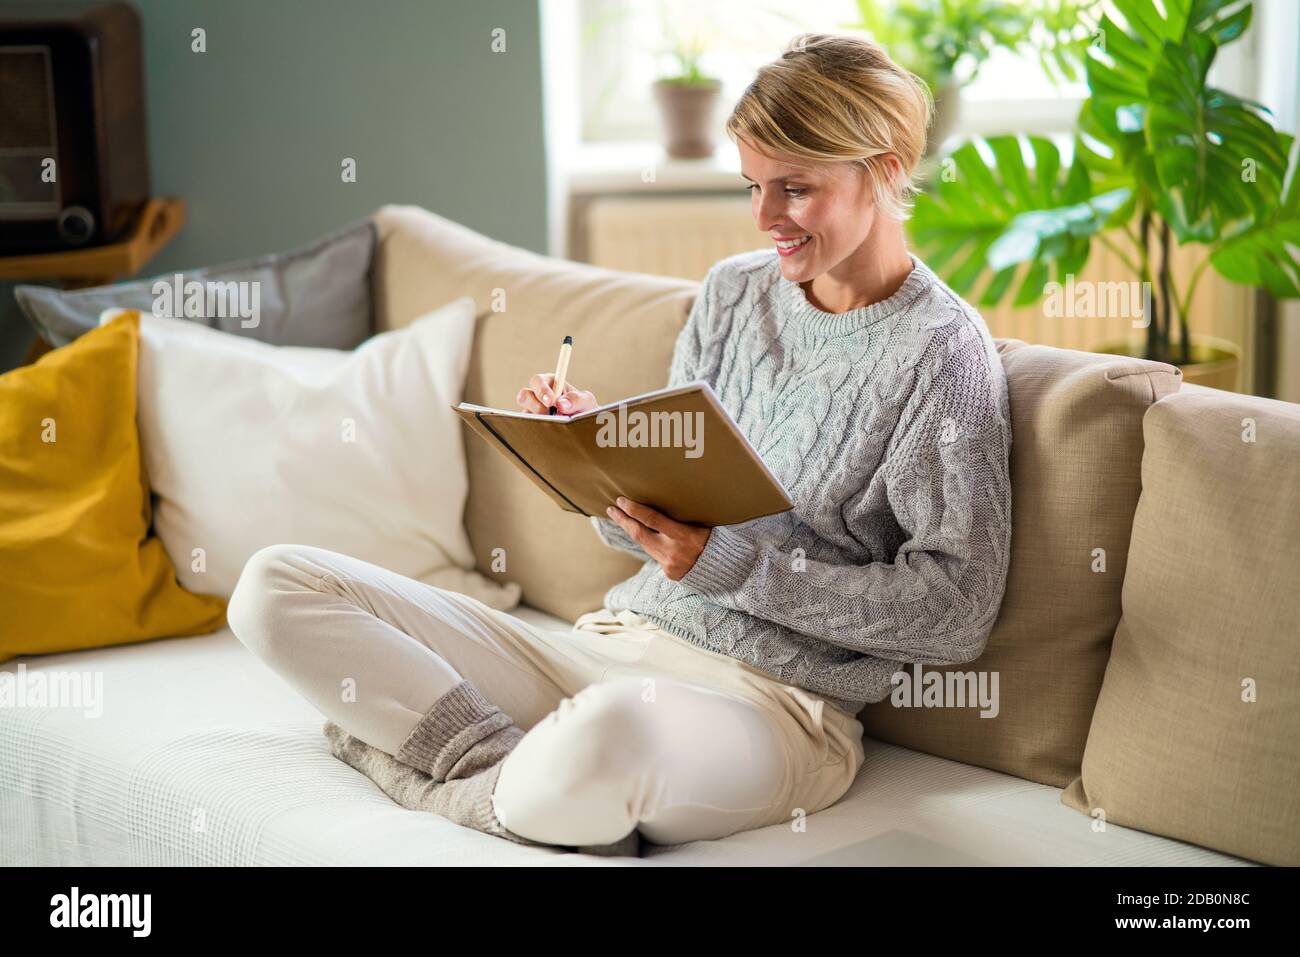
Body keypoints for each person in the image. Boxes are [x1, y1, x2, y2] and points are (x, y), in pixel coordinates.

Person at [227, 31, 1012, 855]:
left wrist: (733, 566)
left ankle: (431, 770)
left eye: (794, 187)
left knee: (608, 735)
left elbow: (956, 612)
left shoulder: (943, 357)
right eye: (751, 185)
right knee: (275, 584)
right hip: (611, 644)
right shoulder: (734, 294)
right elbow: (660, 533)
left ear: (884, 170)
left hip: (774, 707)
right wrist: (598, 457)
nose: (765, 217)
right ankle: (512, 775)